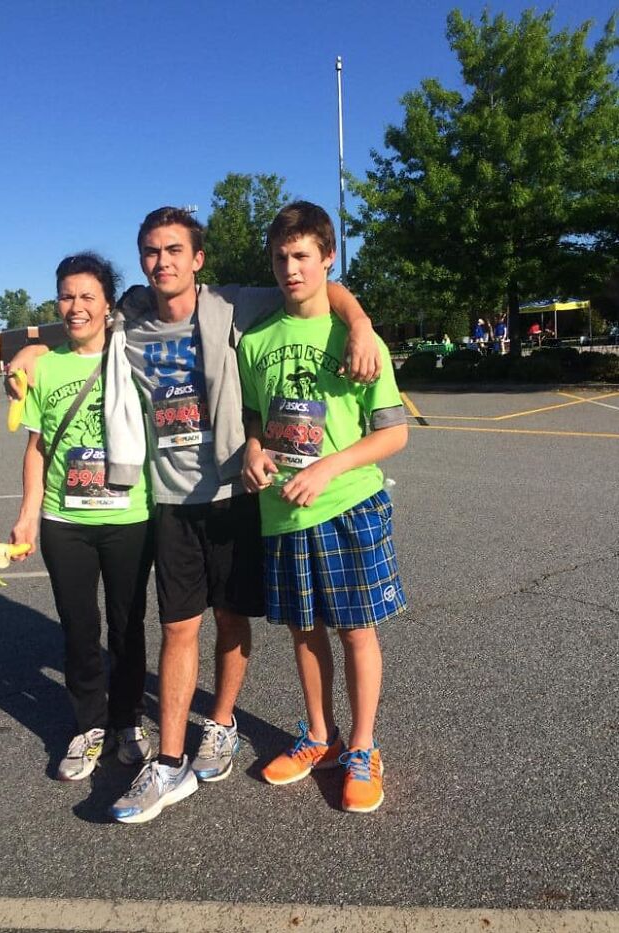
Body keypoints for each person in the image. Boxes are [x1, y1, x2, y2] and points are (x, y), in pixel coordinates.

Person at [9, 207, 381, 824]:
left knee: (233, 620)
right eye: (152, 252)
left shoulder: (232, 304)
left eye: (175, 250)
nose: (164, 262)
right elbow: (85, 321)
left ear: (198, 259)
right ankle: (171, 761)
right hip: (170, 501)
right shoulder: (131, 311)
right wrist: (34, 347)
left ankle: (224, 722)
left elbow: (316, 284)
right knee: (180, 626)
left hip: (234, 494)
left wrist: (362, 323)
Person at [237, 202, 408, 813]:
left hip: (347, 503)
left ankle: (363, 747)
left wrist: (328, 467)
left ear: (327, 258)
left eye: (303, 256)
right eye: (281, 257)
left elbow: (393, 433)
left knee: (357, 631)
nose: (291, 268)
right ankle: (320, 736)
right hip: (283, 510)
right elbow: (254, 414)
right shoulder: (255, 339)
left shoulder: (356, 336)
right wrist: (254, 447)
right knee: (304, 633)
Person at [9, 253, 155, 782]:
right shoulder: (45, 366)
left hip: (128, 516)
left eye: (87, 296)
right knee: (78, 627)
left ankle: (128, 721)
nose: (76, 306)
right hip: (64, 521)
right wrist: (27, 517)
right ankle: (89, 725)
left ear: (107, 304)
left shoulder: (133, 354)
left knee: (127, 626)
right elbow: (36, 448)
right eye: (67, 296)